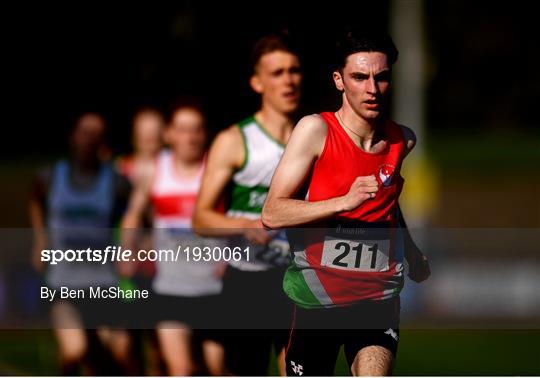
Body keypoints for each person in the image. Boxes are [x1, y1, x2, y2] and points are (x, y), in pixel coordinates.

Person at [261, 29, 431, 376]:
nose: (372, 88)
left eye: (381, 78)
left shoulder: (403, 141)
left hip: (376, 299)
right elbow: (272, 212)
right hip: (316, 299)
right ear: (339, 80)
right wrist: (343, 201)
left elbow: (386, 204)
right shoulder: (315, 131)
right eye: (359, 77)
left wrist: (410, 250)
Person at [192, 32, 302, 376]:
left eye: (294, 70)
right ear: (257, 82)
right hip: (247, 282)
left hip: (296, 279)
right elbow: (200, 218)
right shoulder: (235, 140)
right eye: (277, 72)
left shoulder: (312, 138)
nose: (288, 80)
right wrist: (246, 225)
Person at [121, 99, 225, 376]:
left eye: (196, 130)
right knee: (181, 369)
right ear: (169, 134)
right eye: (182, 129)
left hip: (213, 289)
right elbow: (133, 214)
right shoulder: (155, 169)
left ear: (204, 134)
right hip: (170, 289)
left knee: (216, 368)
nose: (189, 137)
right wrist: (127, 251)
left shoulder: (217, 169)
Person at [29, 112, 137, 375]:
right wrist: (40, 240)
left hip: (103, 283)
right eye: (84, 131)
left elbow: (132, 216)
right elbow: (34, 203)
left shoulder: (116, 182)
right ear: (73, 136)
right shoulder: (50, 177)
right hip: (63, 285)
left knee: (119, 349)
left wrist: (128, 248)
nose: (89, 139)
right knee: (75, 350)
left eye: (96, 133)